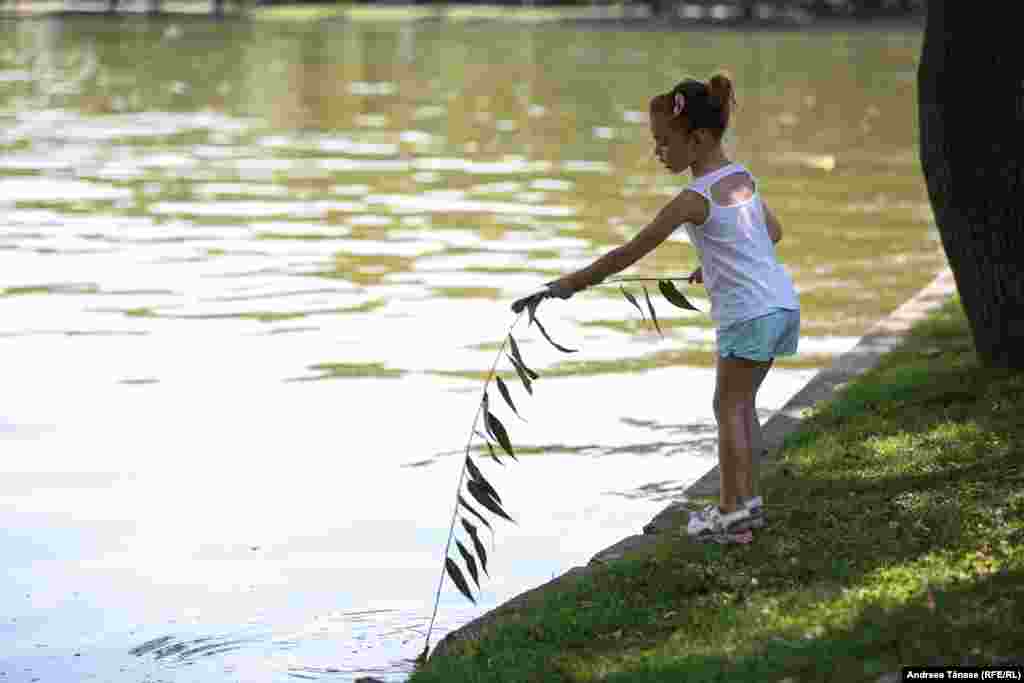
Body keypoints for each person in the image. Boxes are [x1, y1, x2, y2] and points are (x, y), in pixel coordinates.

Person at [512, 73, 800, 541]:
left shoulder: (692, 199)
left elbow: (629, 253)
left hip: (747, 313)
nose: (658, 152)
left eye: (665, 143)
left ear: (699, 138)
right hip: (781, 307)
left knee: (728, 406)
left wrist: (571, 283)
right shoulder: (742, 178)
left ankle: (732, 514)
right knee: (742, 404)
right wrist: (715, 264)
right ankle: (747, 506)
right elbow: (772, 233)